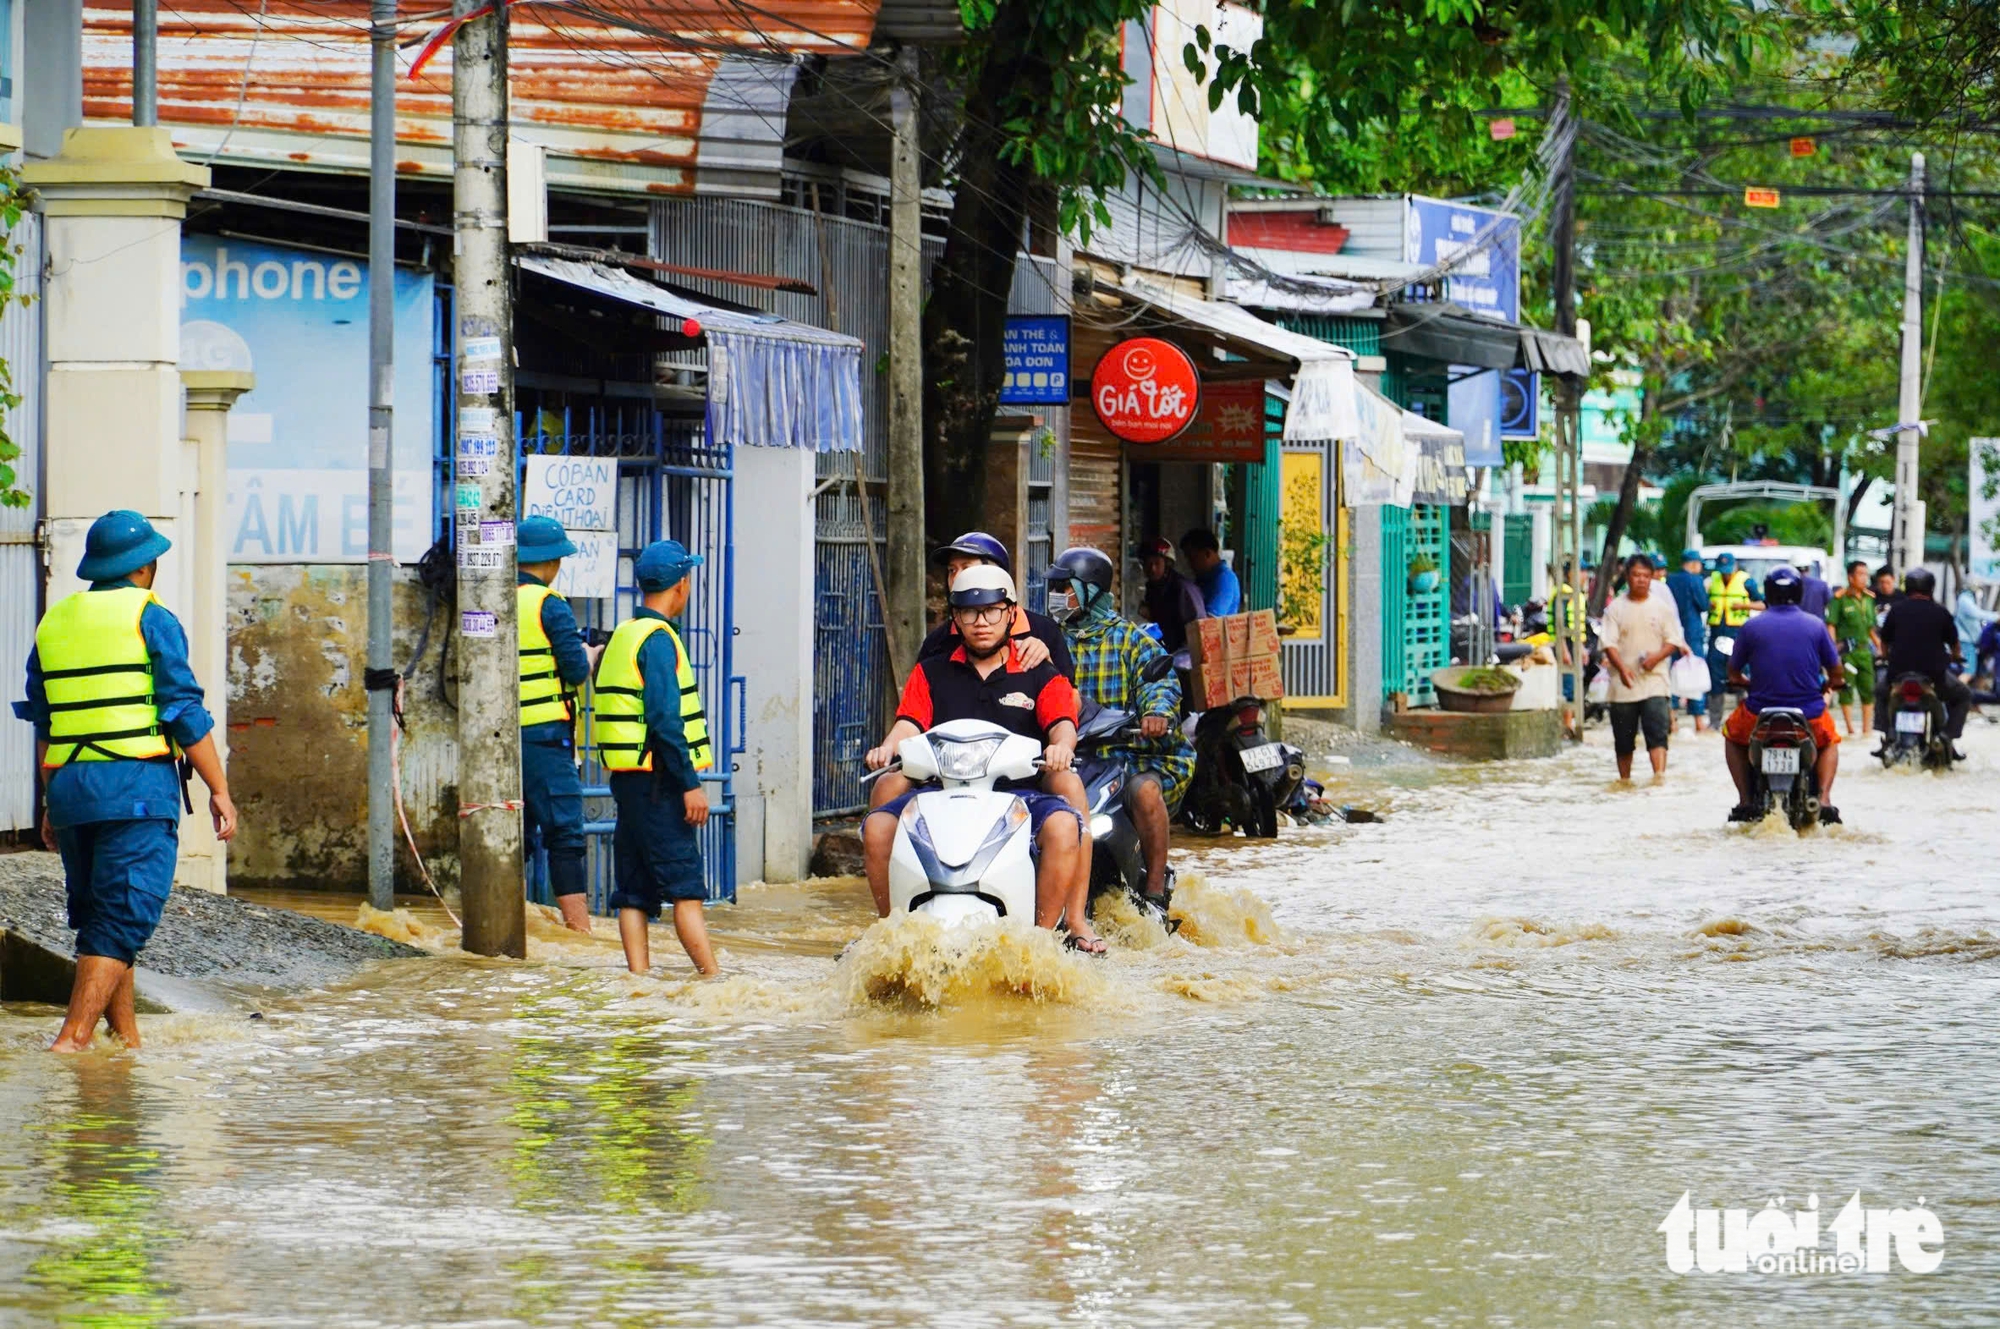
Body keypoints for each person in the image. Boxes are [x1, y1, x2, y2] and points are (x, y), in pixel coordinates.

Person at [15, 511, 238, 1052]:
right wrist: (219, 789)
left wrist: (48, 804)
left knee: (102, 918)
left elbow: (46, 721)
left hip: (70, 788)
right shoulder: (151, 616)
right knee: (121, 917)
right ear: (144, 567)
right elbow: (183, 710)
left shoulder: (55, 622)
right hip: (135, 788)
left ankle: (126, 1040)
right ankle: (72, 1040)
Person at [861, 565, 1088, 945]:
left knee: (1064, 826)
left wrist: (1061, 748)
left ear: (1011, 613)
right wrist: (887, 747)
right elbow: (909, 723)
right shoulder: (931, 672)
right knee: (878, 827)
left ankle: (1043, 939)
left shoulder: (1039, 671)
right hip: (940, 790)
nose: (981, 622)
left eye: (992, 611)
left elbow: (1062, 723)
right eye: (969, 613)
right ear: (955, 618)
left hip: (1020, 793)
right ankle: (888, 931)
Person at [594, 540, 718, 977]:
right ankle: (713, 980)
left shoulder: (623, 634)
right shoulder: (659, 640)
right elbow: (665, 721)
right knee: (686, 888)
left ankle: (639, 982)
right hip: (659, 782)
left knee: (633, 891)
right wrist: (690, 785)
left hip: (628, 782)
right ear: (681, 585)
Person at [1047, 546, 1195, 914]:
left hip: (1130, 756)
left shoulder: (1132, 640)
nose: (1057, 596)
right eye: (1056, 588)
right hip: (1068, 756)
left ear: (1090, 591)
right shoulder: (1050, 641)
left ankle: (1155, 891)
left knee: (1145, 793)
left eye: (1065, 588)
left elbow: (1160, 685)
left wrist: (1156, 713)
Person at [517, 515, 598, 934]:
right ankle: (578, 933)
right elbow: (574, 670)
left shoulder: (491, 599)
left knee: (513, 834)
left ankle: (507, 925)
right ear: (551, 562)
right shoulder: (549, 604)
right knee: (565, 833)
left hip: (499, 738)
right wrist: (590, 655)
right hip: (546, 736)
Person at [1723, 567, 1846, 824]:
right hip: (1809, 714)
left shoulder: (1751, 626)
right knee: (1830, 740)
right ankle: (1824, 799)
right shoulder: (1816, 625)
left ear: (1767, 592)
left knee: (1732, 735)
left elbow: (1733, 672)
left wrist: (1745, 683)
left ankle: (1745, 800)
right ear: (1798, 593)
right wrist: (1831, 684)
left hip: (1758, 714)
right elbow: (1836, 670)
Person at [918, 531, 1073, 675]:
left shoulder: (1043, 631)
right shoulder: (937, 642)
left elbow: (1068, 693)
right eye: (952, 570)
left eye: (966, 568)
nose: (956, 578)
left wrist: (1048, 667)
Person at [1597, 553, 1691, 780]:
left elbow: (1673, 640)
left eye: (1645, 576)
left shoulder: (1661, 608)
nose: (1641, 580)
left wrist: (1656, 658)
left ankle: (1659, 777)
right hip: (1623, 684)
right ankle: (1625, 780)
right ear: (1627, 576)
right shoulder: (1615, 609)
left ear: (1651, 578)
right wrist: (1621, 668)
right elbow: (1608, 643)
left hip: (1655, 682)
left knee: (1658, 734)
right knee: (1623, 740)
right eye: (1636, 575)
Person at [1876, 568, 1971, 758]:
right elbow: (1954, 644)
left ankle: (1888, 735)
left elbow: (1884, 641)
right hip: (1934, 677)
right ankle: (1947, 736)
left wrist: (1885, 657)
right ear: (1931, 588)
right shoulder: (1941, 612)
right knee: (1964, 694)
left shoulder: (1896, 610)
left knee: (1879, 692)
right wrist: (1956, 656)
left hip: (1898, 675)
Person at [1825, 560, 1881, 736]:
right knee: (1846, 689)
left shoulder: (1869, 599)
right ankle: (1850, 729)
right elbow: (1831, 625)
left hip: (1865, 651)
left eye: (1866, 574)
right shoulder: (1839, 599)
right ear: (1850, 577)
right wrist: (1832, 649)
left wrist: (1880, 646)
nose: (1864, 578)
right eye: (1860, 574)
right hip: (1847, 652)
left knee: (1868, 690)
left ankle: (1866, 730)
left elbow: (1871, 628)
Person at [1705, 551, 1764, 718]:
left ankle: (1745, 716)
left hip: (1738, 634)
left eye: (1728, 571)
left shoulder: (1747, 581)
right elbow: (1702, 600)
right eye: (1723, 571)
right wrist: (1709, 604)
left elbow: (1763, 604)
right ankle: (1715, 720)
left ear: (1735, 567)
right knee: (1715, 674)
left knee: (1741, 673)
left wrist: (1744, 606)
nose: (1726, 575)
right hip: (1717, 633)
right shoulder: (1712, 580)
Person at [1664, 549, 1712, 731]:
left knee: (1674, 674)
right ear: (1693, 564)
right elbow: (1703, 605)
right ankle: (1699, 721)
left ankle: (1672, 719)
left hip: (1673, 633)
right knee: (1695, 674)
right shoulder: (1696, 580)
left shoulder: (1670, 580)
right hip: (1692, 633)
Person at [1138, 536, 1206, 653]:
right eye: (1148, 564)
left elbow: (1199, 628)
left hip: (1188, 652)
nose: (1152, 568)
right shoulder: (1153, 588)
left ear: (1167, 564)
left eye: (1157, 563)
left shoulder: (1183, 589)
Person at [1179, 528, 1241, 617]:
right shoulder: (1203, 578)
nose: (1189, 564)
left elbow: (1211, 619)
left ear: (1207, 553)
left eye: (1192, 558)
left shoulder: (1225, 578)